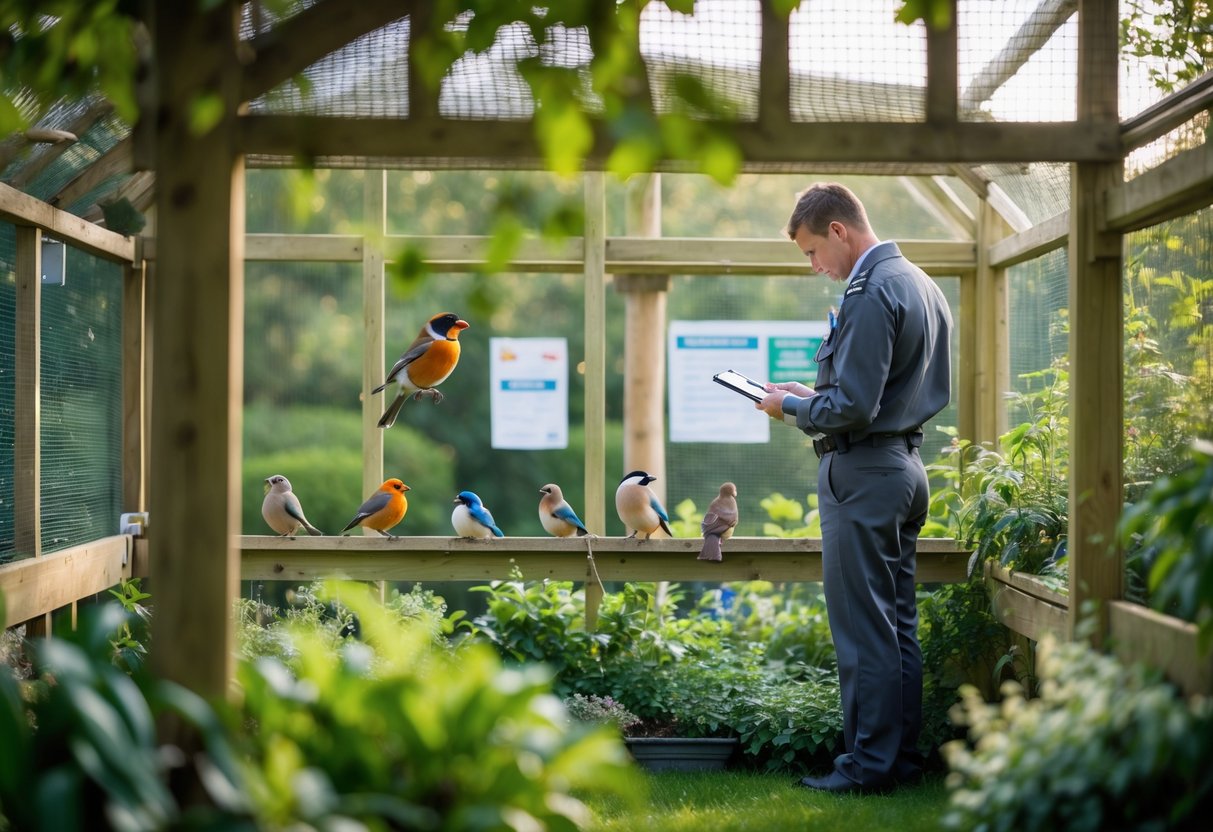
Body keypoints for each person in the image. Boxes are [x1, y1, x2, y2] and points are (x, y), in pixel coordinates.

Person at [756, 183, 953, 794]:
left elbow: (856, 406)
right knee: (896, 625)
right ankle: (898, 761)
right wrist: (814, 398)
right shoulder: (920, 281)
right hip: (904, 467)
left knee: (864, 630)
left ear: (839, 231)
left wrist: (790, 410)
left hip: (864, 476)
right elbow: (882, 394)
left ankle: (867, 768)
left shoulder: (869, 292)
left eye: (813, 252)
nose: (816, 268)